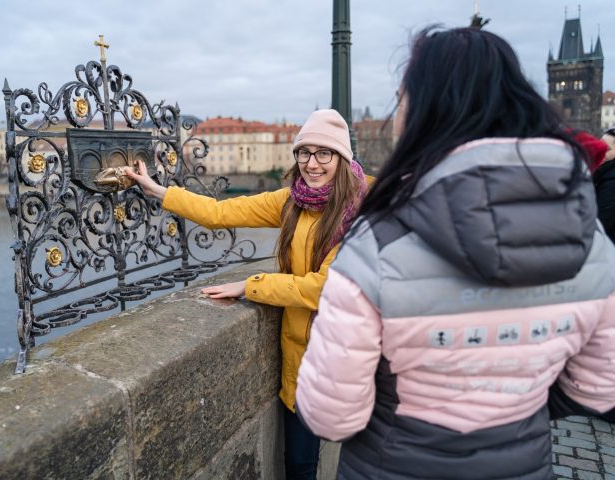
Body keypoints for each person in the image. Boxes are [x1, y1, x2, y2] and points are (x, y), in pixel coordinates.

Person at [295, 27, 615, 479]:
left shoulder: (376, 240)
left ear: (423, 109)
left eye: (401, 97)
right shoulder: (592, 237)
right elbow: (600, 388)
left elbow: (331, 416)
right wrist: (515, 408)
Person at [123, 109, 370, 479]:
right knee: (300, 465)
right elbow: (221, 212)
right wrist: (158, 190)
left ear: (342, 158)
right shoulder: (291, 202)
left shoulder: (359, 213)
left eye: (324, 154)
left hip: (346, 357)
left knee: (356, 463)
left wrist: (250, 285)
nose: (312, 164)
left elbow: (324, 288)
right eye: (305, 152)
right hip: (301, 364)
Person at [594, 128, 615, 242]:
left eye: (607, 149)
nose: (600, 152)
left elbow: (601, 224)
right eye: (599, 147)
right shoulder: (604, 174)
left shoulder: (611, 182)